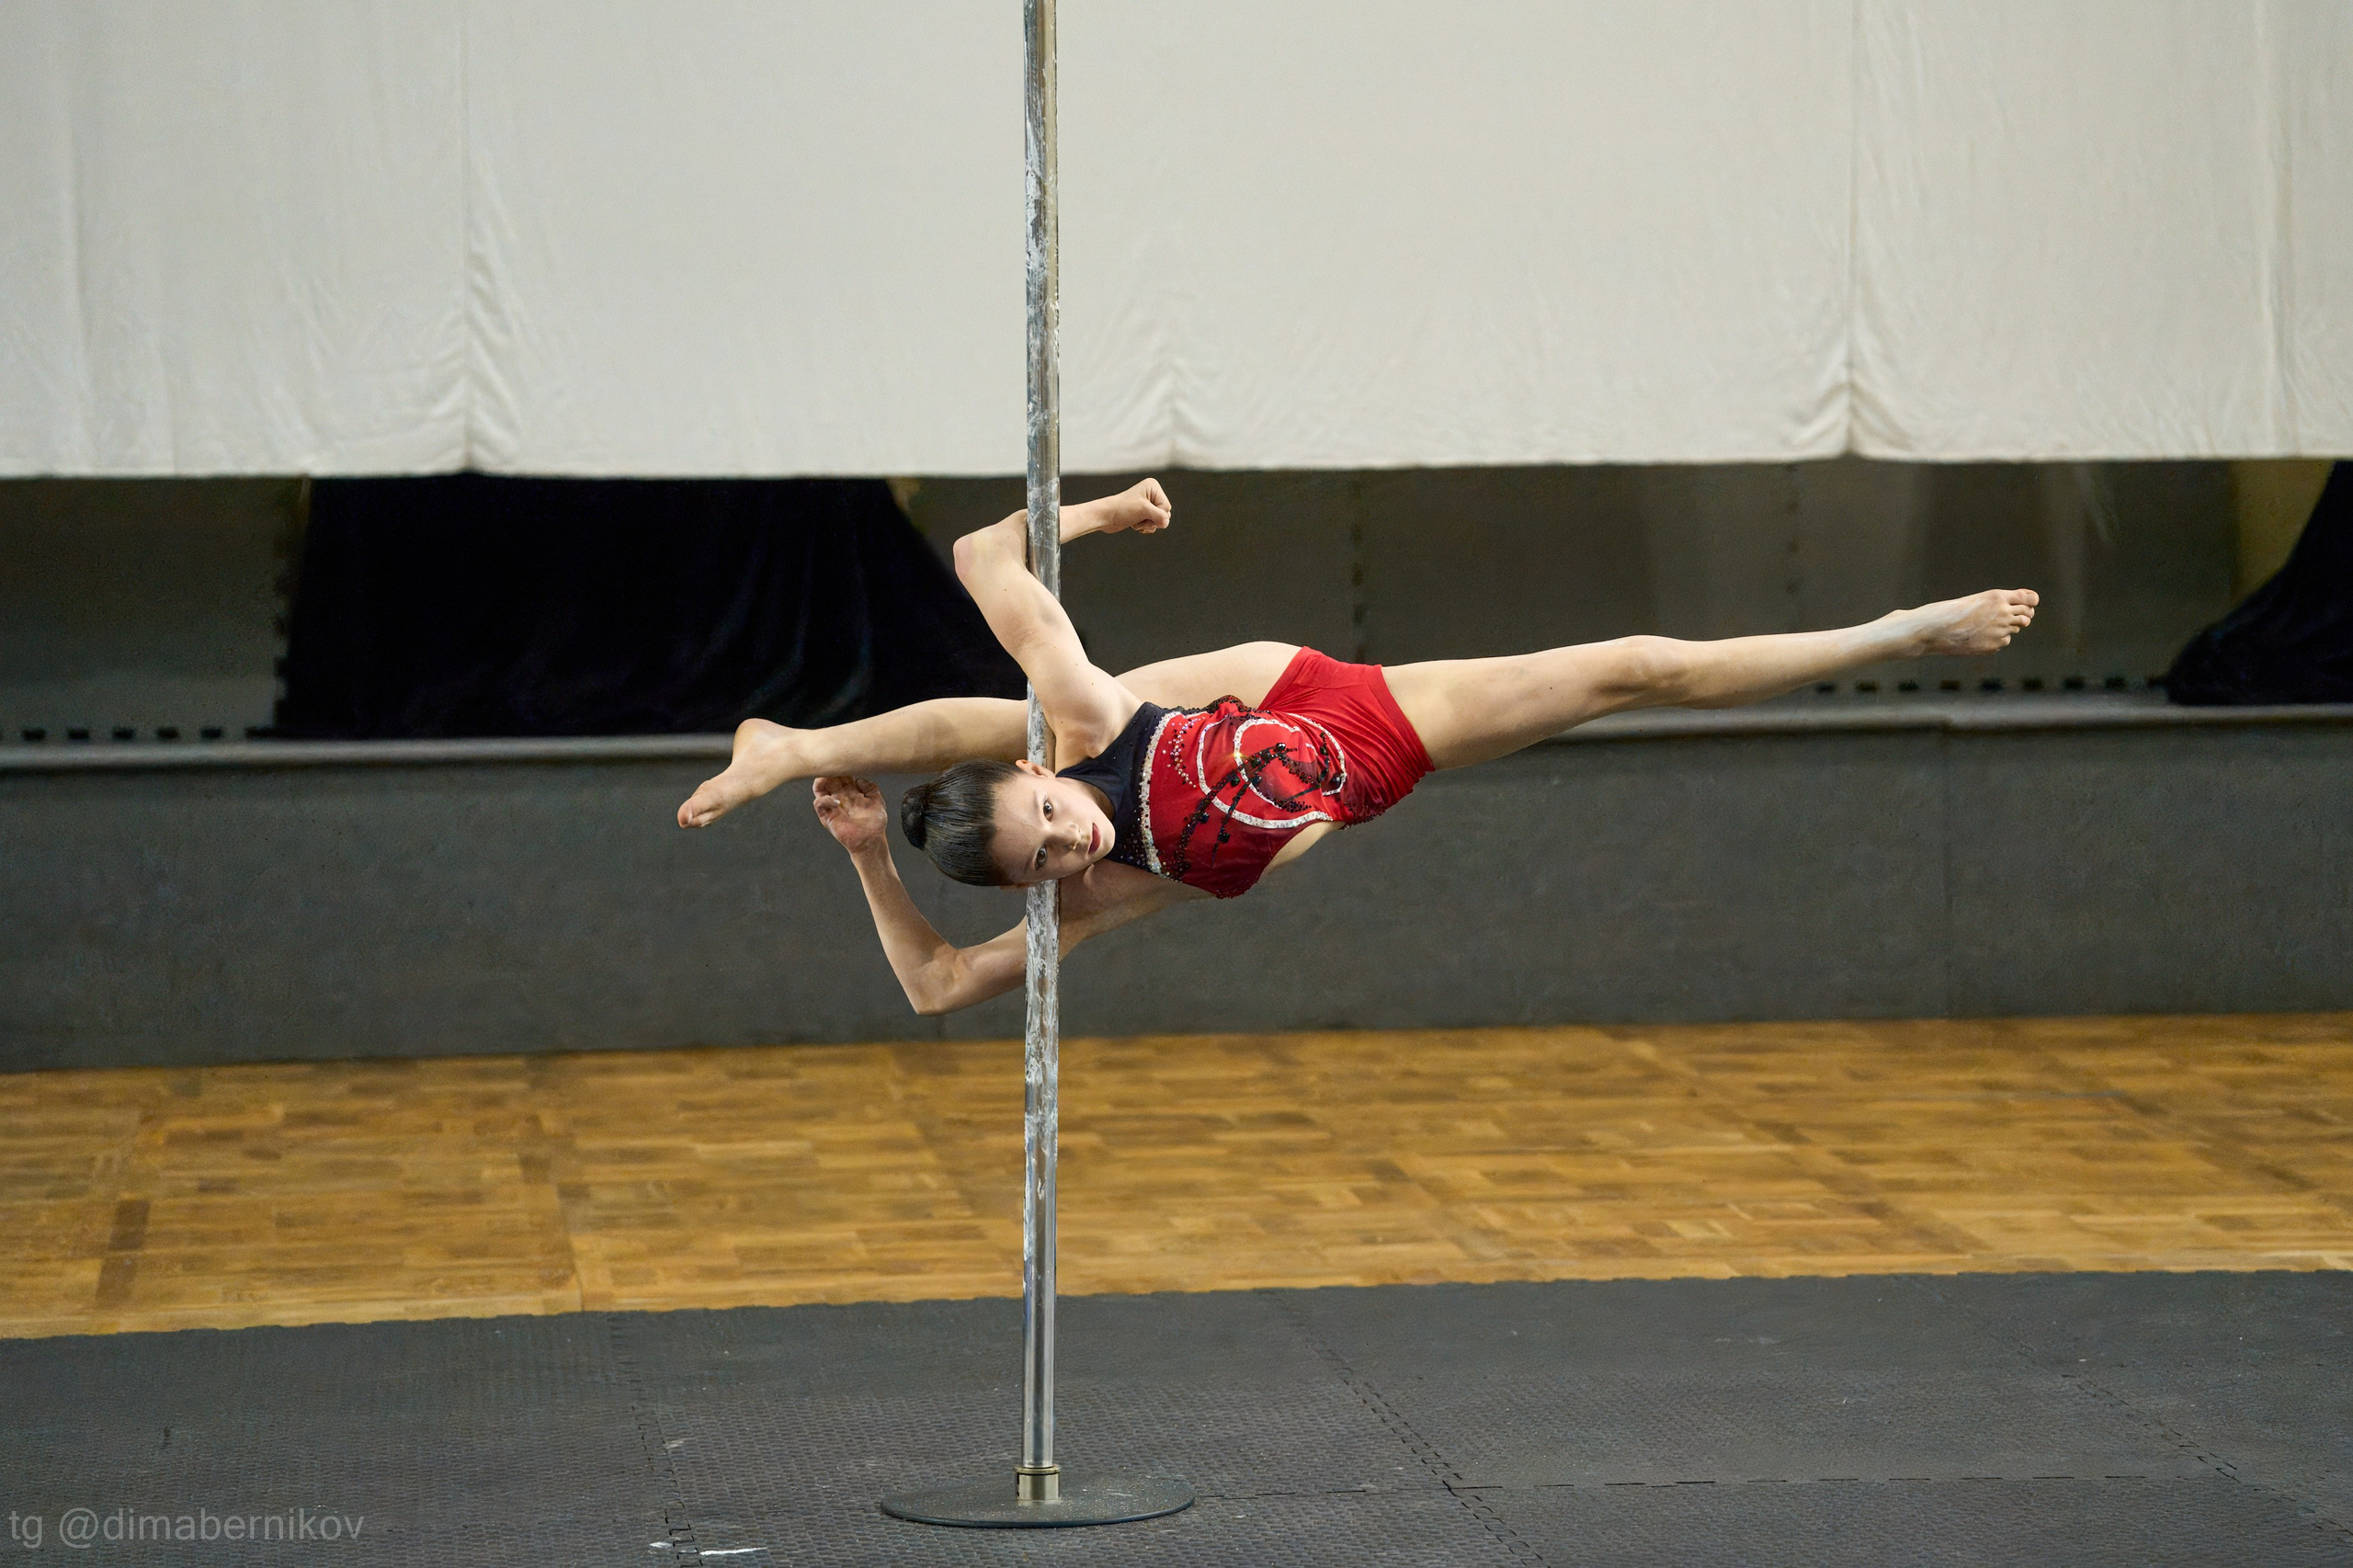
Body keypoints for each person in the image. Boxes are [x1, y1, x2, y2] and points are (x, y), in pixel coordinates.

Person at [677, 479, 2038, 1016]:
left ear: (1049, 794)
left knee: (1642, 664)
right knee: (998, 723)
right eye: (1049, 863)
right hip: (1380, 763)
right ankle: (801, 751)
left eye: (1052, 822)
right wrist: (868, 856)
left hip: (1309, 696)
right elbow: (933, 987)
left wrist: (1095, 513)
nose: (1073, 844)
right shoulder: (1100, 891)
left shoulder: (1081, 736)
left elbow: (981, 549)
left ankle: (1907, 621)